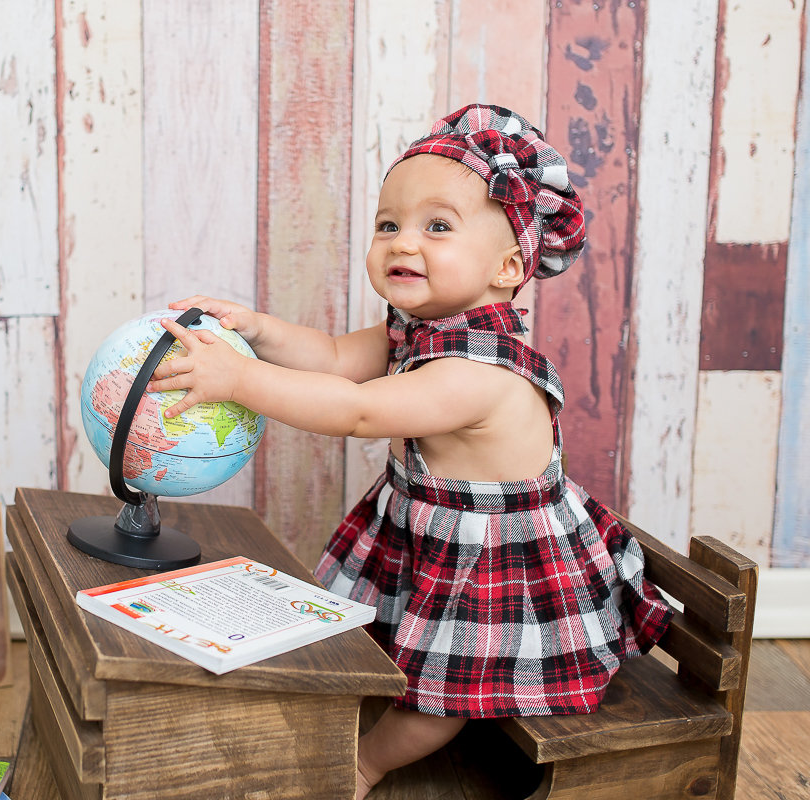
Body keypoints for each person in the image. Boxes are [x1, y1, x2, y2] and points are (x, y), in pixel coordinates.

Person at [145, 104, 672, 799]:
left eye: (437, 226)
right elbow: (334, 359)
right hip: (435, 533)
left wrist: (241, 379)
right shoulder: (416, 331)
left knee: (438, 694)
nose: (402, 242)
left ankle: (368, 764)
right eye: (388, 224)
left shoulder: (479, 374)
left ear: (510, 266)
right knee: (387, 639)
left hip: (495, 567)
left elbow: (360, 409)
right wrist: (259, 331)